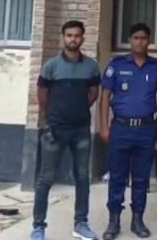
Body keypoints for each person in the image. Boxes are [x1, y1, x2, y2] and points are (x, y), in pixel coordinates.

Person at [30, 20, 101, 240]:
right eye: (69, 35)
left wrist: (77, 110)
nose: (73, 39)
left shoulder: (91, 66)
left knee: (83, 177)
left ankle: (81, 224)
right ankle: (38, 227)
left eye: (77, 35)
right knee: (45, 179)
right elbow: (42, 94)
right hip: (55, 130)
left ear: (82, 38)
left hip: (80, 131)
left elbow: (93, 93)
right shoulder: (51, 66)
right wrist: (50, 118)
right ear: (64, 37)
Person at [99, 23, 157, 240]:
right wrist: (104, 126)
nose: (140, 42)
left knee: (141, 177)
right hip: (121, 128)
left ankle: (138, 219)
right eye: (136, 38)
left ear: (149, 41)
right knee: (117, 177)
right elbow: (105, 96)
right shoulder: (117, 65)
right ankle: (114, 220)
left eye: (144, 38)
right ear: (130, 40)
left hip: (146, 129)